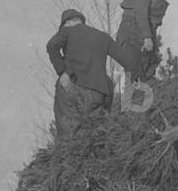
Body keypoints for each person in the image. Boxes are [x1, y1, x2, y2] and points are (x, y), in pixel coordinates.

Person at [45, 8, 139, 137]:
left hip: (71, 87)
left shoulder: (67, 31)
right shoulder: (103, 37)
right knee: (96, 134)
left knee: (68, 132)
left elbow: (51, 46)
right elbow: (128, 62)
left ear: (67, 23)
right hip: (99, 94)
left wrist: (62, 72)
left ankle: (68, 146)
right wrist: (132, 87)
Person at [116, 0, 177, 84]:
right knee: (137, 76)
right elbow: (140, 12)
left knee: (149, 70)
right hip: (133, 35)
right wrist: (147, 37)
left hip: (142, 35)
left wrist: (152, 42)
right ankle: (135, 95)